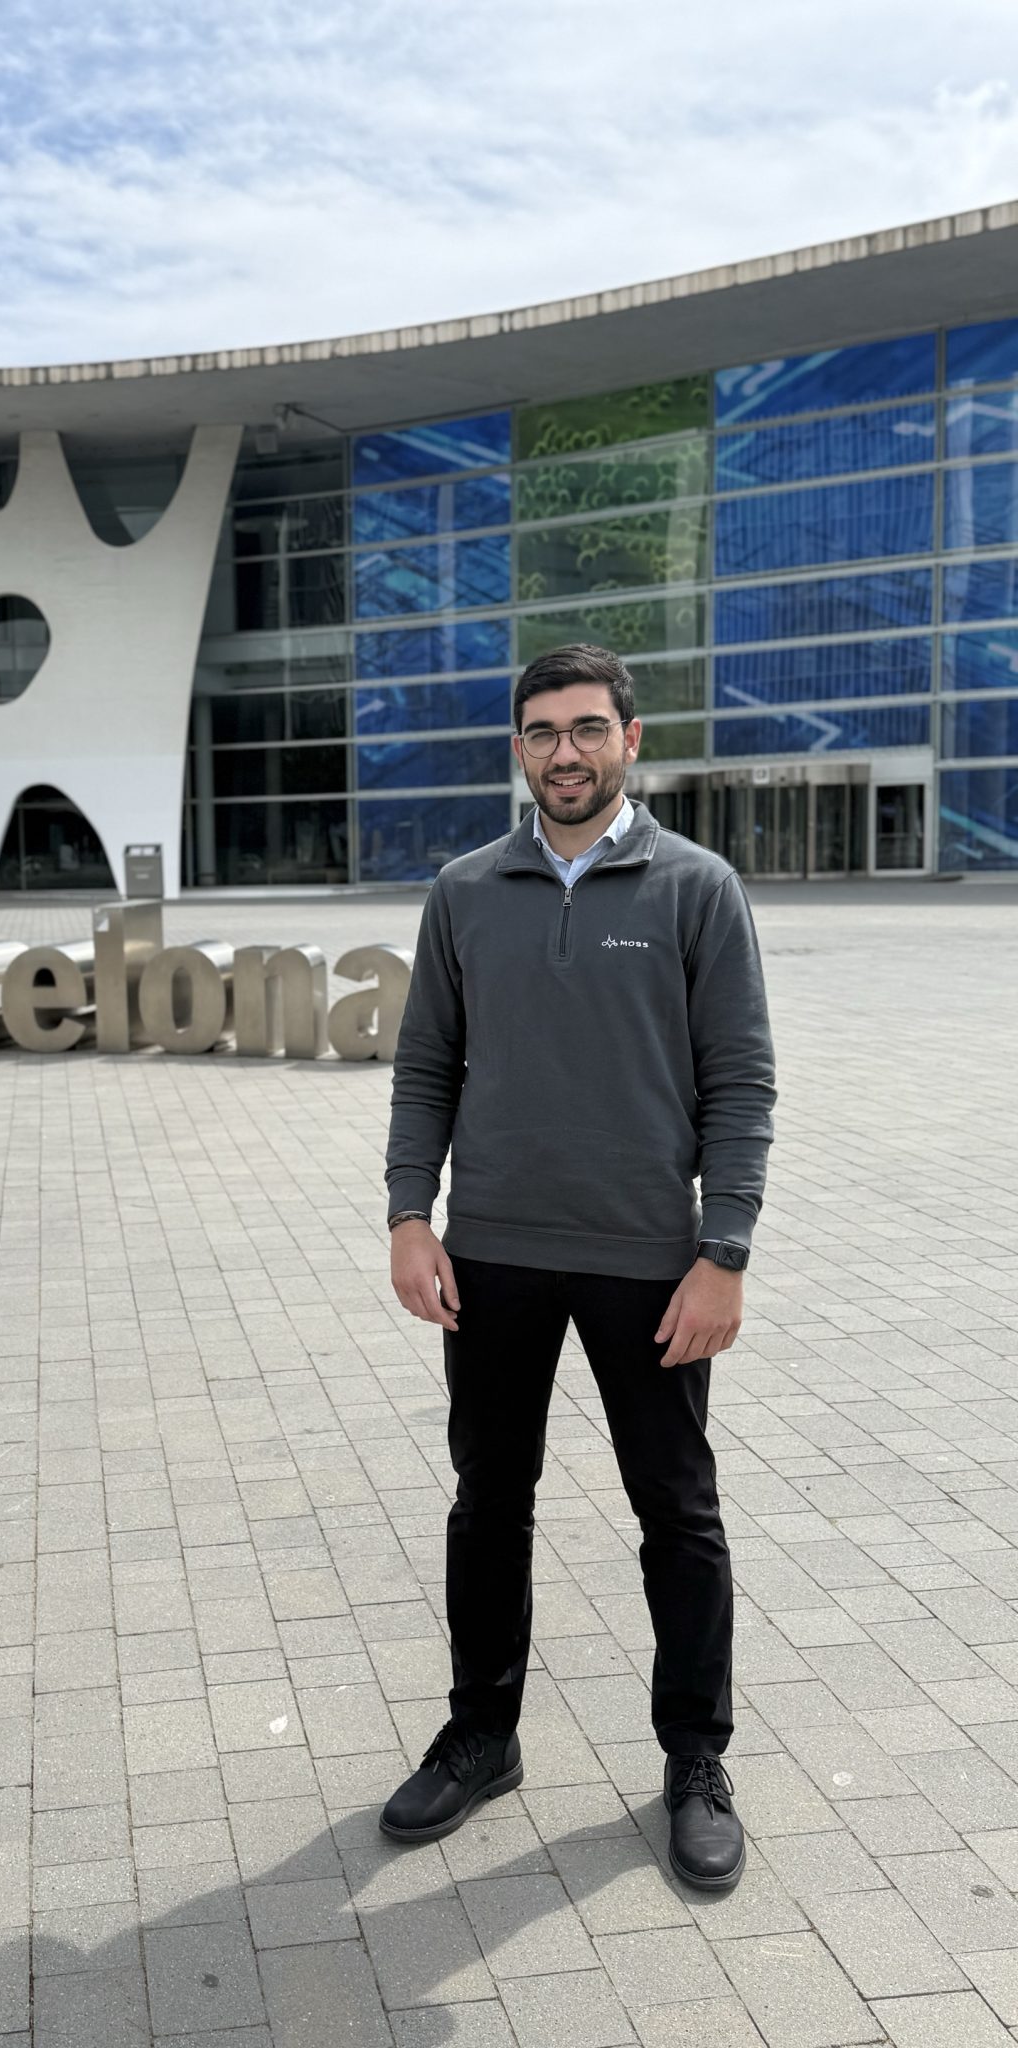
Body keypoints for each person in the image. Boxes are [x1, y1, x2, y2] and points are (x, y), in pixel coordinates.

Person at [379, 644, 775, 1891]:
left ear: (630, 739)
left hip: (648, 1265)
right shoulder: (463, 889)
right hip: (489, 1254)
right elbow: (427, 1065)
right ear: (519, 747)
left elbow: (741, 1084)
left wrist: (724, 1253)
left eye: (588, 727)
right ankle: (482, 1732)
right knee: (488, 1499)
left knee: (679, 1511)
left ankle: (695, 1756)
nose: (566, 750)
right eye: (543, 730)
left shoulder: (697, 888)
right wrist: (408, 1214)